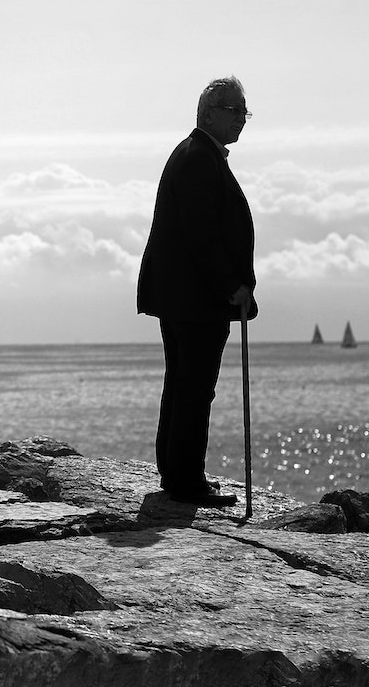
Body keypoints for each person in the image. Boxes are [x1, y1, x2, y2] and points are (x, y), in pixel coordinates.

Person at [136, 76, 258, 508]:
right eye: (234, 111)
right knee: (193, 386)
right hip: (196, 299)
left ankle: (178, 474)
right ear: (208, 113)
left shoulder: (199, 155)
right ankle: (185, 481)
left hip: (189, 297)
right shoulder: (197, 159)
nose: (241, 120)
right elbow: (201, 235)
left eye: (245, 112)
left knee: (185, 384)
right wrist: (231, 287)